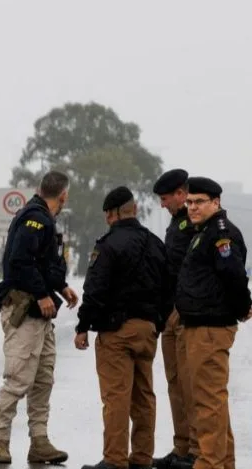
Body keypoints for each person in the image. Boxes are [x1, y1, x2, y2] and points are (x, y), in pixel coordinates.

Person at [0, 170, 79, 465]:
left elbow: (43, 263)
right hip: (25, 310)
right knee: (18, 378)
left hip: (40, 315)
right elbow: (20, 261)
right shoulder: (35, 218)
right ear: (63, 195)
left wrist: (61, 287)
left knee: (42, 381)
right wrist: (42, 293)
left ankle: (40, 441)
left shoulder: (44, 219)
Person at [74, 187, 171, 469]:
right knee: (144, 397)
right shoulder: (155, 244)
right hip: (148, 330)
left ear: (110, 214)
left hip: (116, 332)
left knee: (116, 397)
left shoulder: (108, 245)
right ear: (135, 209)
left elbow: (95, 290)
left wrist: (83, 326)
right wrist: (158, 322)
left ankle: (115, 459)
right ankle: (141, 457)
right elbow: (169, 289)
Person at [175, 177, 252, 469]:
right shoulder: (203, 232)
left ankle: (209, 462)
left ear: (216, 203)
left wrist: (243, 306)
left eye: (199, 202)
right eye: (190, 202)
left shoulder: (220, 234)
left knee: (207, 401)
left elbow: (233, 275)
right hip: (199, 324)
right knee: (211, 401)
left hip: (210, 327)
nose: (192, 208)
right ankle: (223, 462)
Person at [151, 168, 199, 469]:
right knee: (175, 384)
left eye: (166, 198)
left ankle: (196, 450)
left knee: (191, 385)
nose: (162, 204)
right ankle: (181, 448)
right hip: (171, 314)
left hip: (186, 313)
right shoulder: (176, 224)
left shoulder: (193, 224)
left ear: (181, 194)